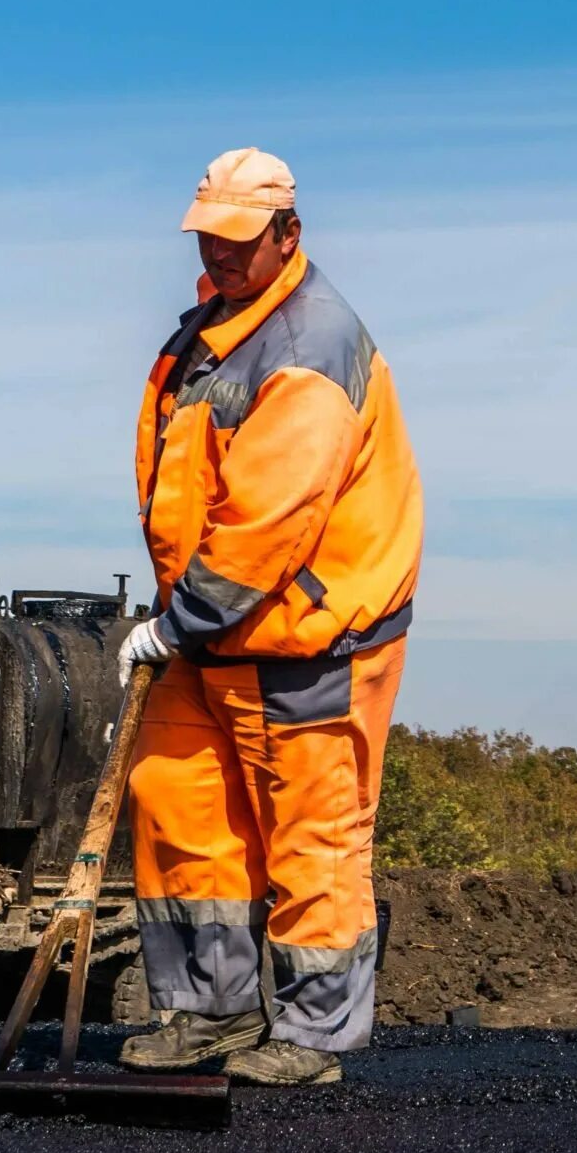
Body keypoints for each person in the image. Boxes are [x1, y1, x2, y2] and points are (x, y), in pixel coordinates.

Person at [114, 148, 424, 1086]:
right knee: (180, 806)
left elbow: (266, 523)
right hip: (210, 630)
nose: (221, 253)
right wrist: (186, 620)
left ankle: (313, 1034)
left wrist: (180, 619)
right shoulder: (206, 333)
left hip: (305, 638)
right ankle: (209, 1010)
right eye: (209, 235)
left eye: (240, 239)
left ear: (289, 234)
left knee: (312, 835)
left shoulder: (308, 347)